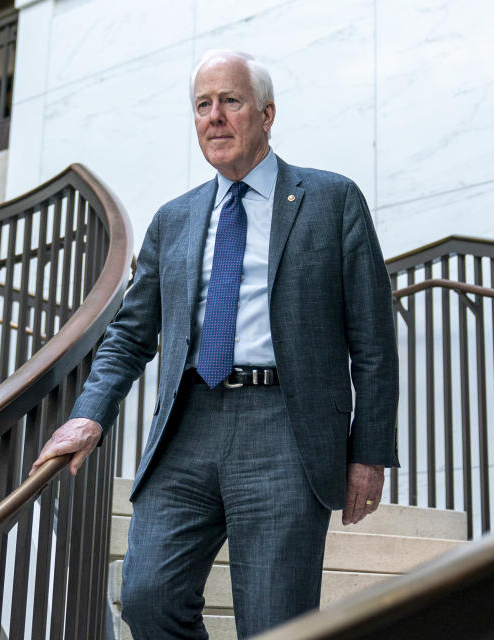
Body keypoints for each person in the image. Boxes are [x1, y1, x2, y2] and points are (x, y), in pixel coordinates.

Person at [31, 49, 399, 639]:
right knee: (148, 596)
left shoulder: (331, 200)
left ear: (267, 114)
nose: (215, 117)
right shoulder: (173, 219)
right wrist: (89, 415)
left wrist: (369, 452)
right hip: (187, 425)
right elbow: (129, 335)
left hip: (285, 428)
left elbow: (373, 339)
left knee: (276, 623)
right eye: (203, 105)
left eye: (230, 101)